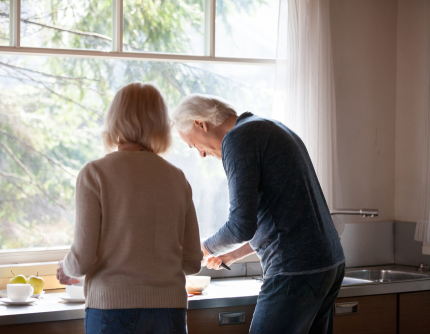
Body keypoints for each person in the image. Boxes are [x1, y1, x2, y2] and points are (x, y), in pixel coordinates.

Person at [172, 94, 345, 334]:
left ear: (201, 123)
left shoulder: (237, 139)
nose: (200, 154)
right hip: (328, 264)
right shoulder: (268, 127)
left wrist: (200, 249)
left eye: (193, 144)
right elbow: (281, 218)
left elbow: (241, 225)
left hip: (296, 269)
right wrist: (233, 254)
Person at [57, 82, 203, 334]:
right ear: (160, 123)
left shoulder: (95, 174)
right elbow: (192, 262)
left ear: (114, 119)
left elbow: (81, 260)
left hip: (112, 310)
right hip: (170, 311)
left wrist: (65, 268)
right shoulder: (177, 178)